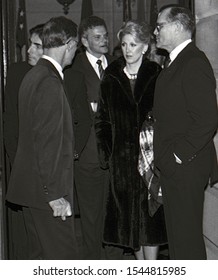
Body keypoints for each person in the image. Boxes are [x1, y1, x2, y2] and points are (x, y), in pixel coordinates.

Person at [6, 16, 79, 260]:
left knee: (39, 260)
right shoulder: (48, 80)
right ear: (68, 44)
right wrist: (55, 195)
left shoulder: (34, 74)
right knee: (63, 261)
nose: (75, 53)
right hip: (47, 194)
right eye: (76, 46)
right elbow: (47, 142)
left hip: (31, 190)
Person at [95, 20, 167, 260]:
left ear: (145, 47)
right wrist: (107, 154)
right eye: (124, 44)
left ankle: (152, 268)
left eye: (133, 44)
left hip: (150, 160)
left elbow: (168, 116)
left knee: (151, 218)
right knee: (130, 223)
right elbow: (102, 120)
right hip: (122, 163)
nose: (127, 49)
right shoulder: (111, 76)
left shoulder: (157, 75)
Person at [153, 5, 218, 259]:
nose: (156, 31)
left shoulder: (192, 62)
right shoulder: (176, 61)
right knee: (179, 240)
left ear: (178, 27)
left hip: (185, 166)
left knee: (187, 242)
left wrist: (176, 157)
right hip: (175, 166)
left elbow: (207, 120)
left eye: (160, 26)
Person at [68, 15, 115, 260]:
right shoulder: (74, 70)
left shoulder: (117, 64)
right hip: (88, 156)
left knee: (114, 215)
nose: (104, 40)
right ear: (84, 41)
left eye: (105, 35)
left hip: (116, 155)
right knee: (91, 217)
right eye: (97, 37)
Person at [3, 23, 44, 260]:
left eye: (36, 46)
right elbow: (10, 123)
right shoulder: (18, 72)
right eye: (30, 44)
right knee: (26, 233)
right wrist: (16, 160)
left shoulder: (60, 74)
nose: (29, 50)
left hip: (50, 168)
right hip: (22, 163)